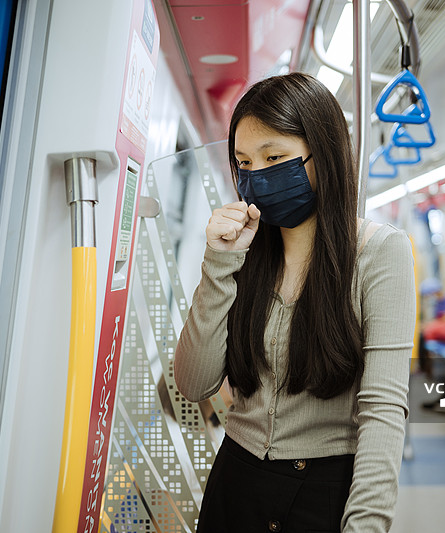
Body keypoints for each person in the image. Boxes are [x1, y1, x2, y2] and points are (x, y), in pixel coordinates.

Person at [174, 72, 415, 532]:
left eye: (275, 157)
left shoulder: (380, 252)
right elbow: (194, 382)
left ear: (321, 156)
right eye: (244, 162)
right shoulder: (242, 251)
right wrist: (219, 263)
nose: (257, 176)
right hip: (234, 483)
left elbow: (383, 410)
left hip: (319, 494)